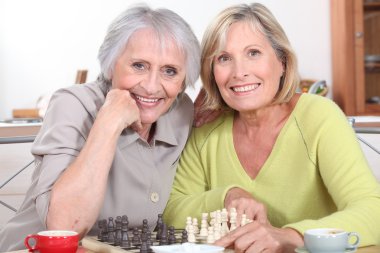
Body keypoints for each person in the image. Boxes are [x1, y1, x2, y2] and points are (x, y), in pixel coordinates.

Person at [163, 3, 380, 252]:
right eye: (224, 58)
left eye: (253, 53)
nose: (239, 72)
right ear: (212, 73)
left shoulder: (320, 117)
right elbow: (172, 212)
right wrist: (227, 196)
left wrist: (290, 235)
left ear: (282, 62)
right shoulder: (205, 129)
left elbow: (373, 211)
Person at [0, 4, 200, 251]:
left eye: (170, 71)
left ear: (183, 81)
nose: (151, 86)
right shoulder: (72, 103)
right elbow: (64, 227)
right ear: (110, 63)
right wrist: (109, 121)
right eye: (139, 65)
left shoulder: (181, 112)